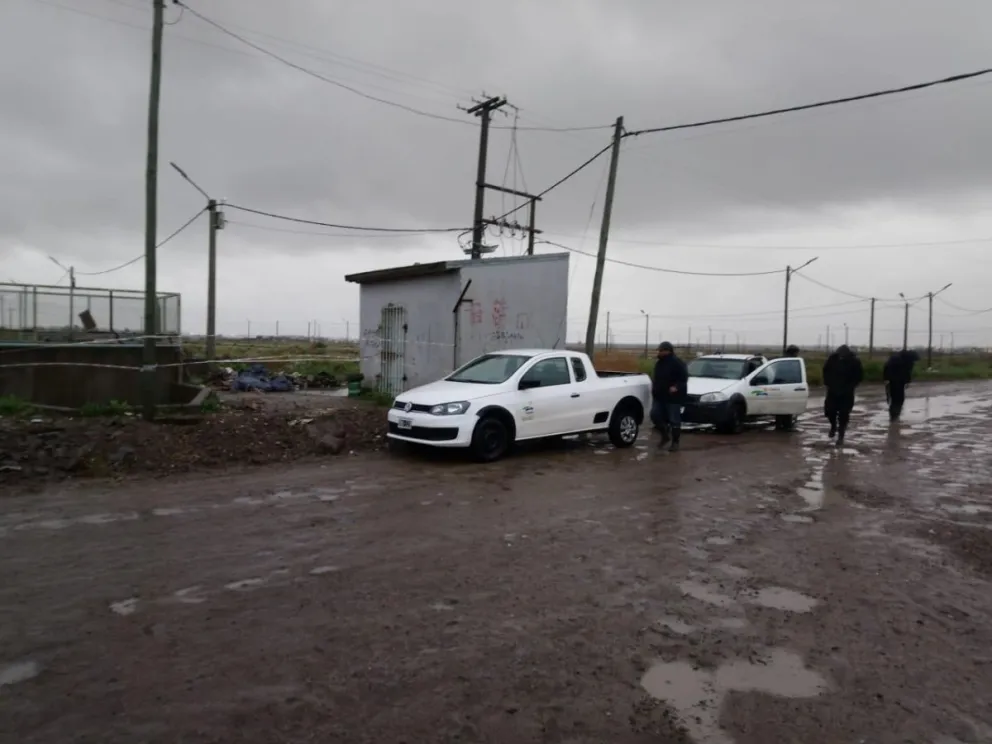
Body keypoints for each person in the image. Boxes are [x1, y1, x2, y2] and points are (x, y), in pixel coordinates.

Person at [822, 344, 864, 446]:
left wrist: (850, 387)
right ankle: (833, 426)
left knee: (844, 415)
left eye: (843, 355)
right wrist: (828, 383)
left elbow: (859, 376)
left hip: (846, 393)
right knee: (830, 411)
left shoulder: (854, 361)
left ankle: (841, 436)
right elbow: (825, 371)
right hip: (832, 391)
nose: (841, 356)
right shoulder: (832, 359)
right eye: (839, 354)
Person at [651, 341, 689, 452]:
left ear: (667, 351)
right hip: (659, 396)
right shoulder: (659, 363)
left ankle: (675, 442)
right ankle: (665, 435)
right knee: (655, 415)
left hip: (673, 397)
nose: (659, 352)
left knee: (674, 420)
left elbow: (684, 378)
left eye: (661, 350)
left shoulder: (677, 363)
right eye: (659, 350)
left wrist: (676, 387)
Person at [883, 349, 919, 419]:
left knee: (897, 399)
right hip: (894, 381)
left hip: (898, 382)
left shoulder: (907, 361)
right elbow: (887, 368)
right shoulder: (896, 359)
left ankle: (895, 415)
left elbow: (908, 372)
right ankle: (894, 416)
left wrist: (908, 381)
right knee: (896, 399)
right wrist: (886, 379)